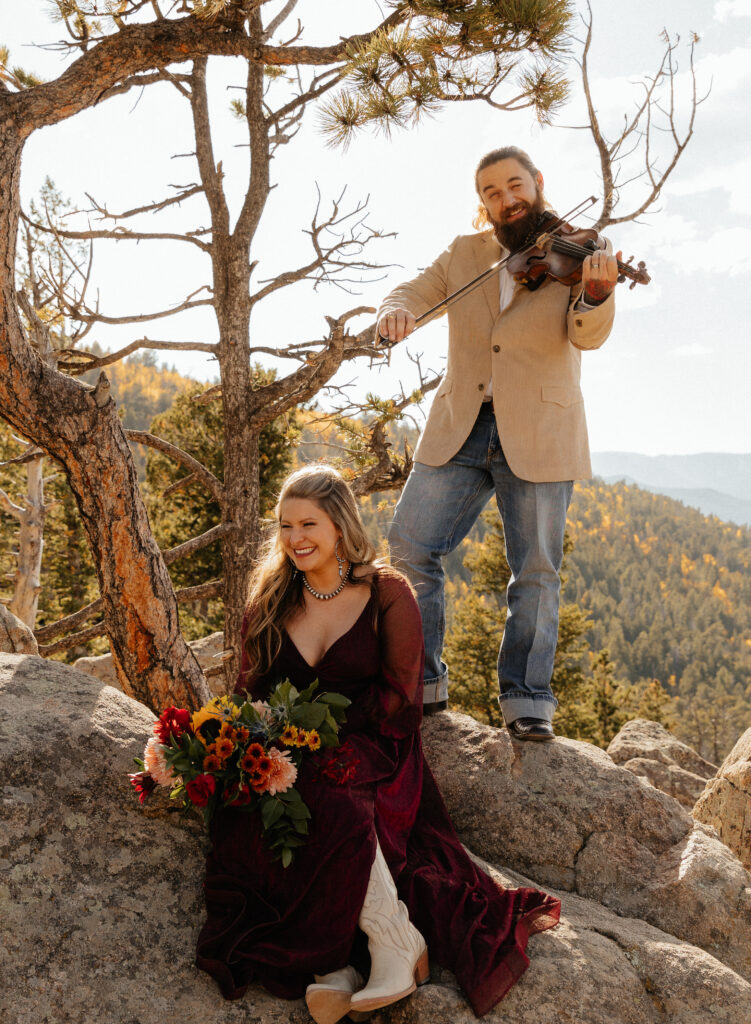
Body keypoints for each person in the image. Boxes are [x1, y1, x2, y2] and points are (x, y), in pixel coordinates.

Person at [196, 464, 561, 1022]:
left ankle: (385, 945)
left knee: (330, 794)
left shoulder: (386, 592)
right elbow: (252, 689)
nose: (296, 538)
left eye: (309, 523)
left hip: (379, 747)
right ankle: (341, 962)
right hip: (292, 750)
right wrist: (259, 741)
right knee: (255, 808)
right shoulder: (270, 599)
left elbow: (401, 702)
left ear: (339, 525)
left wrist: (319, 741)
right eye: (285, 525)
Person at [378, 146, 619, 739]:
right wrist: (395, 312)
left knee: (535, 570)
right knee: (410, 547)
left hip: (539, 428)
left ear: (538, 182)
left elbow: (587, 336)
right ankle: (423, 687)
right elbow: (413, 290)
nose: (507, 199)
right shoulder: (467, 254)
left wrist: (594, 295)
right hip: (462, 422)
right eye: (492, 192)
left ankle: (528, 700)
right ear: (482, 203)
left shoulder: (579, 253)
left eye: (515, 186)